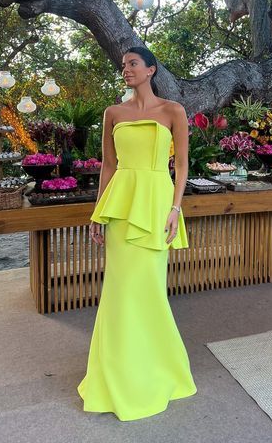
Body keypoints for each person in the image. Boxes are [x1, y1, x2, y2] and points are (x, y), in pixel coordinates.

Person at [77, 46, 197, 421]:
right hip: (122, 208)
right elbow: (108, 167)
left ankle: (157, 369)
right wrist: (98, 213)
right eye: (123, 65)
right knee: (120, 291)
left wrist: (176, 209)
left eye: (133, 64)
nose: (126, 69)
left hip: (157, 205)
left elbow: (182, 165)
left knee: (150, 291)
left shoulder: (173, 111)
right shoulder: (113, 113)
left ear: (151, 70)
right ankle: (116, 374)